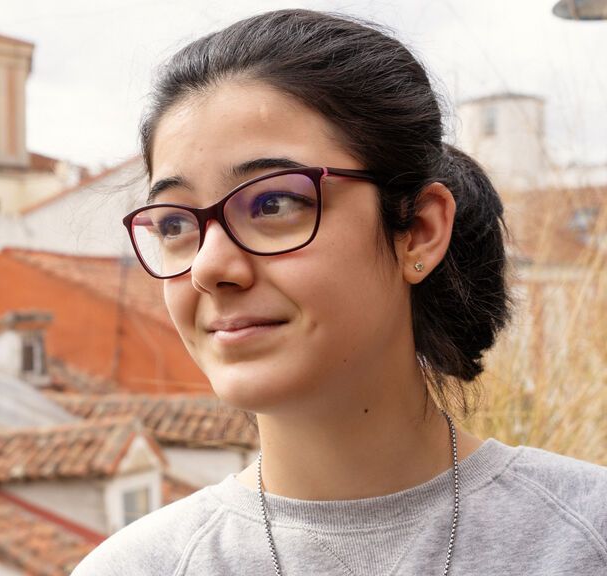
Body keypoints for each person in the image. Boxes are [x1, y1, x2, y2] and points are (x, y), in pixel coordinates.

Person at [71, 9, 607, 576]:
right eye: (176, 225)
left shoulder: (583, 538)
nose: (209, 267)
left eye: (273, 204)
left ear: (419, 231)